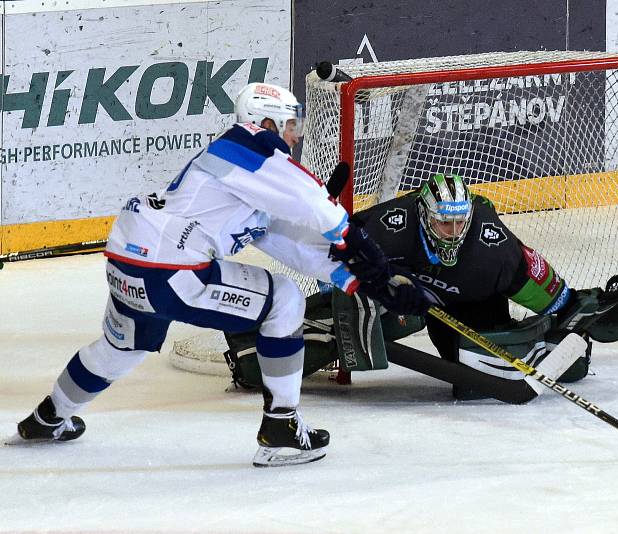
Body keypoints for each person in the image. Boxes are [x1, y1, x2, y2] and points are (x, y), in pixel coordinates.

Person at [7, 82, 422, 467]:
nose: (295, 135)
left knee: (120, 349)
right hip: (169, 266)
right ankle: (280, 429)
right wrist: (362, 247)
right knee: (284, 298)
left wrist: (361, 282)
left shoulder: (237, 179)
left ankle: (48, 417)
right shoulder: (250, 143)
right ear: (266, 122)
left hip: (128, 262)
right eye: (291, 124)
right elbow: (313, 205)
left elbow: (285, 240)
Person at [225, 173, 618, 403]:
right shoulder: (390, 227)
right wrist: (365, 296)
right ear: (423, 213)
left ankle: (565, 361)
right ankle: (253, 354)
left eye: (459, 221)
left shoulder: (497, 250)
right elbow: (334, 258)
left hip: (470, 303)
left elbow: (557, 297)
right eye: (443, 221)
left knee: (475, 382)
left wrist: (584, 316)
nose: (452, 231)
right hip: (404, 297)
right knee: (360, 320)